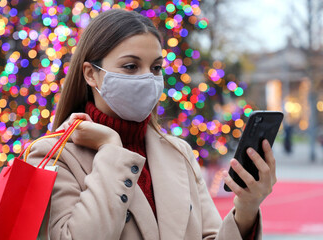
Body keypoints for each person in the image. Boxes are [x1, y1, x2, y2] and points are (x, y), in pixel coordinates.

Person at [27, 9, 276, 240]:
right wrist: (111, 148)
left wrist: (246, 209)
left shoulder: (179, 153)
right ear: (91, 74)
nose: (147, 78)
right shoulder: (53, 156)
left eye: (156, 67)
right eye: (131, 66)